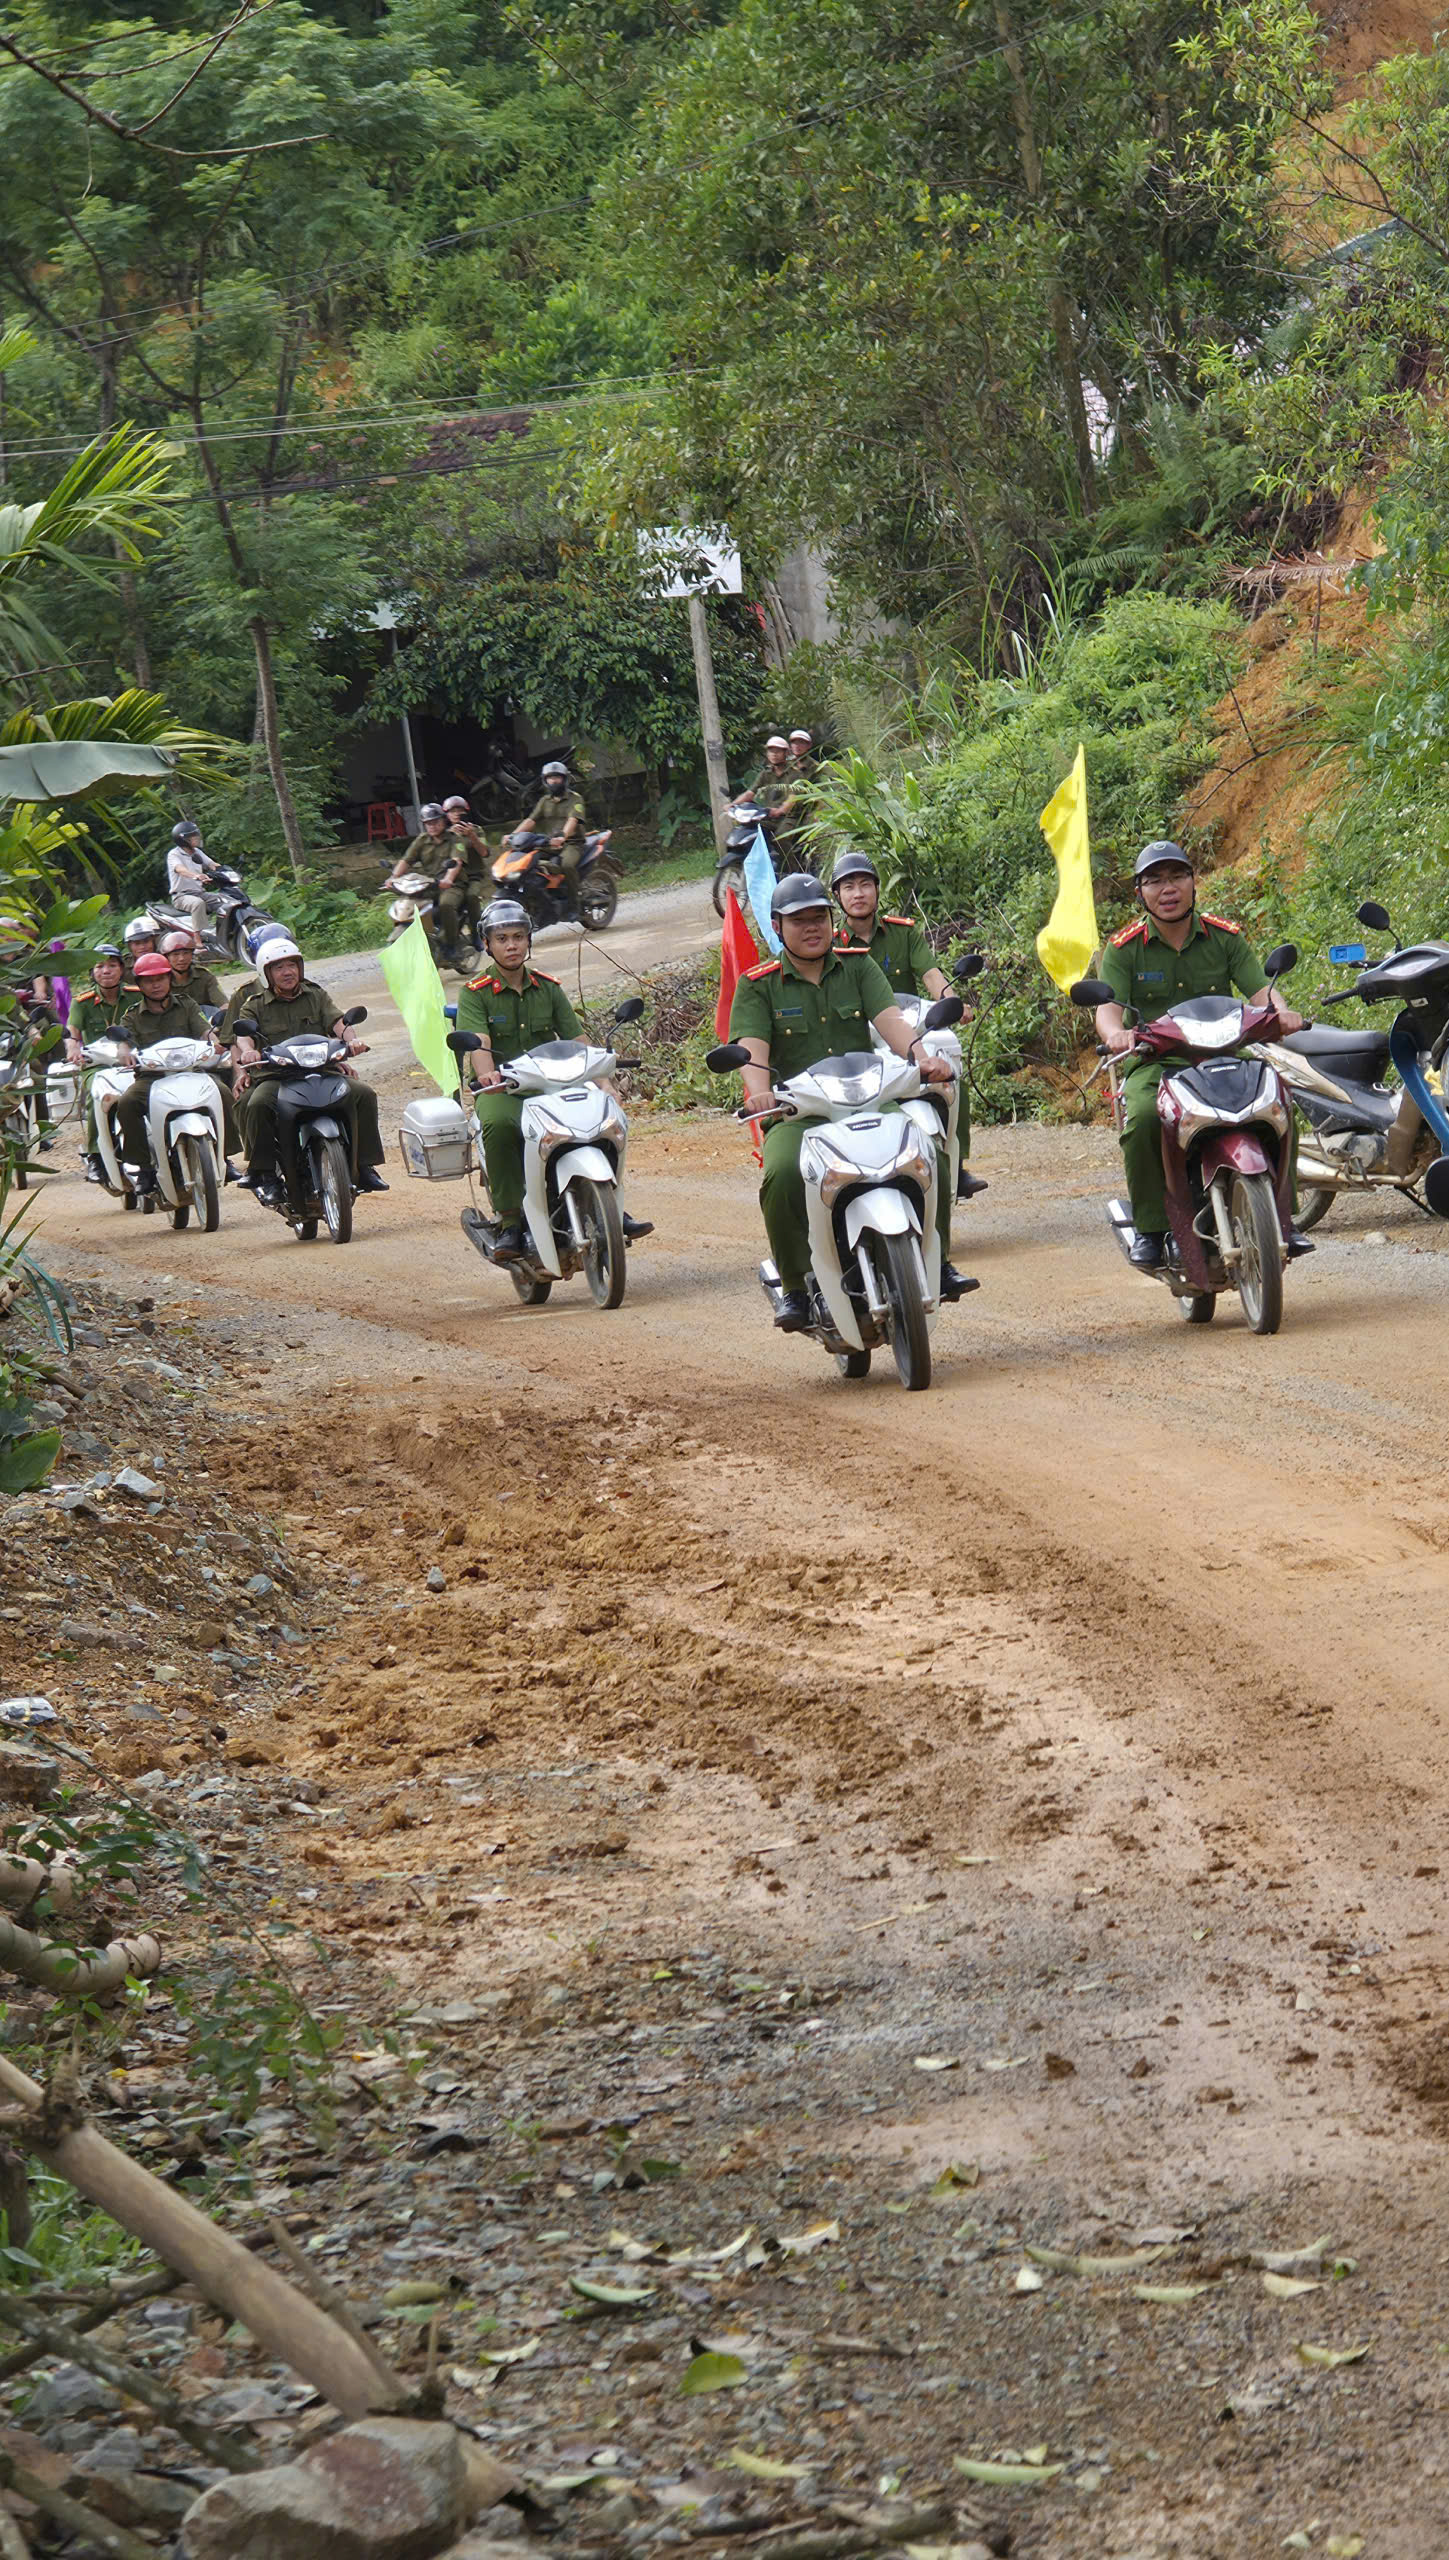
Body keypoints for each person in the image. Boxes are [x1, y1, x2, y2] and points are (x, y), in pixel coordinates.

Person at [726, 872, 972, 1329]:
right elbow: (752, 1049)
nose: (812, 927)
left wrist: (921, 1058)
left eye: (819, 916)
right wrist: (759, 1092)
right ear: (777, 926)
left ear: (831, 919)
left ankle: (937, 1263)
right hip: (800, 1113)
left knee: (928, 1153)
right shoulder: (759, 984)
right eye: (799, 920)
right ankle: (796, 1287)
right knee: (781, 1173)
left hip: (869, 1101)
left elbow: (891, 1021)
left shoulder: (858, 966)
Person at [1095, 840, 1309, 1269]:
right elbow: (1107, 1011)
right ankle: (1152, 1229)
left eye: (1177, 876)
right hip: (1158, 1063)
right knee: (1143, 1118)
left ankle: (1283, 1217)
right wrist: (1117, 1034)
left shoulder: (1224, 937)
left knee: (1279, 1104)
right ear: (1140, 893)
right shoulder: (1124, 947)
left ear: (1194, 883)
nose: (1167, 888)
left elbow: (1261, 991)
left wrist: (1281, 1013)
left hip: (1224, 1056)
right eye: (1154, 880)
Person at [455, 899, 650, 1257]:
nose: (511, 945)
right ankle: (510, 1222)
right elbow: (479, 1044)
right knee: (497, 1125)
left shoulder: (548, 988)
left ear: (529, 940)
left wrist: (605, 1083)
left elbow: (578, 1040)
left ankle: (609, 1203)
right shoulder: (475, 993)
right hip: (506, 1090)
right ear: (487, 944)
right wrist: (487, 1075)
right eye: (502, 939)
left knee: (598, 1118)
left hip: (554, 1084)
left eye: (518, 937)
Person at [830, 849, 987, 1205]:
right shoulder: (829, 944)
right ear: (837, 896)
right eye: (849, 887)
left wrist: (952, 1003)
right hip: (858, 1039)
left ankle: (956, 1163)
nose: (858, 893)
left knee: (950, 1073)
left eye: (865, 884)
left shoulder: (903, 933)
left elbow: (931, 975)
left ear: (877, 889)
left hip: (908, 1033)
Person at [221, 938, 387, 1207]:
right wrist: (249, 1052)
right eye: (279, 968)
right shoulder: (255, 1004)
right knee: (257, 1104)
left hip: (322, 1070)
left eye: (292, 965)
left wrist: (352, 1040)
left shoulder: (316, 995)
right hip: (276, 1077)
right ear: (266, 973)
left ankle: (365, 1165)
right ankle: (265, 1174)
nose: (287, 972)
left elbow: (339, 1023)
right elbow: (243, 1036)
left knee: (364, 1094)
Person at [113, 954, 240, 1193]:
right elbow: (124, 1043)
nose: (156, 985)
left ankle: (224, 1157)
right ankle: (144, 1168)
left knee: (222, 1092)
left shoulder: (186, 1004)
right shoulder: (132, 1015)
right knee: (127, 1103)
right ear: (139, 985)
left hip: (191, 1072)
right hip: (152, 1079)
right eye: (149, 981)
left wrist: (214, 1041)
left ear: (169, 979)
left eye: (161, 979)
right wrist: (124, 1053)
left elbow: (204, 1030)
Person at [67, 946, 130, 1178]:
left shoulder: (136, 995)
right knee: (97, 1096)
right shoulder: (81, 1002)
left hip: (131, 1063)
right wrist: (73, 1048)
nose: (106, 971)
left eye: (112, 965)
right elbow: (72, 1033)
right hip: (98, 1066)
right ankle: (95, 1155)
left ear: (121, 969)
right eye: (100, 966)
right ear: (92, 972)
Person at [435, 795, 491, 967]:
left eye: (460, 810)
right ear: (446, 815)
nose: (456, 814)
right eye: (452, 811)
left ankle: (476, 934)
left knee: (472, 897)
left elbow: (484, 853)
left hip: (473, 875)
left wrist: (471, 836)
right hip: (452, 877)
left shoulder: (476, 830)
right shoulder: (444, 834)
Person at [515, 762, 587, 876]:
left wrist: (562, 836)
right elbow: (531, 820)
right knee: (527, 860)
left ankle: (575, 888)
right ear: (545, 780)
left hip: (572, 844)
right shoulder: (544, 800)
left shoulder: (575, 798)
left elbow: (573, 820)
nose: (553, 781)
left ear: (565, 779)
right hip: (549, 843)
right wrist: (513, 835)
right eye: (550, 778)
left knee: (566, 866)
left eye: (557, 777)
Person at [165, 820, 224, 945]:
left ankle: (223, 933)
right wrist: (196, 876)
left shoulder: (197, 852)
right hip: (181, 896)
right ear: (183, 840)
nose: (197, 838)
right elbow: (180, 869)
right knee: (197, 903)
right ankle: (197, 939)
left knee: (224, 900)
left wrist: (226, 871)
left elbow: (211, 864)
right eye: (193, 836)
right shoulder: (174, 854)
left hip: (200, 892)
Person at [159, 928, 226, 1014]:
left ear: (192, 954)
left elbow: (222, 1003)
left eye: (186, 953)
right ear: (167, 957)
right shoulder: (161, 981)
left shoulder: (204, 976)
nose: (181, 958)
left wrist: (226, 1014)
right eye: (175, 954)